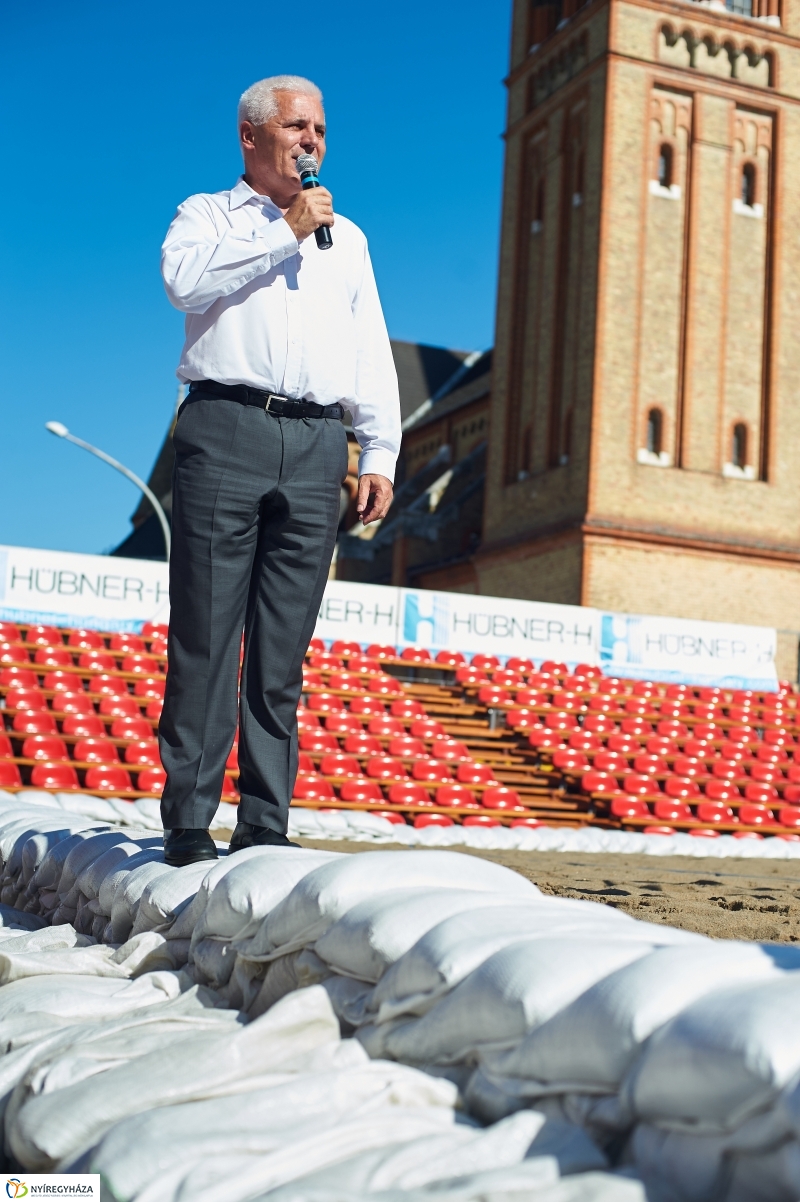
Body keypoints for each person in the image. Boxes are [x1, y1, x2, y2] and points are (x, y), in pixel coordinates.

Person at [158, 75, 400, 866]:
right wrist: (285, 231)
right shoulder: (207, 216)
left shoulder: (351, 241)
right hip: (225, 427)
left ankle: (264, 823)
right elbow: (182, 284)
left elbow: (370, 352)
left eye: (321, 130)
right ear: (251, 137)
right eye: (297, 126)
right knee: (207, 634)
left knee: (282, 649)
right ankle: (189, 826)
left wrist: (381, 451)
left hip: (319, 444)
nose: (313, 141)